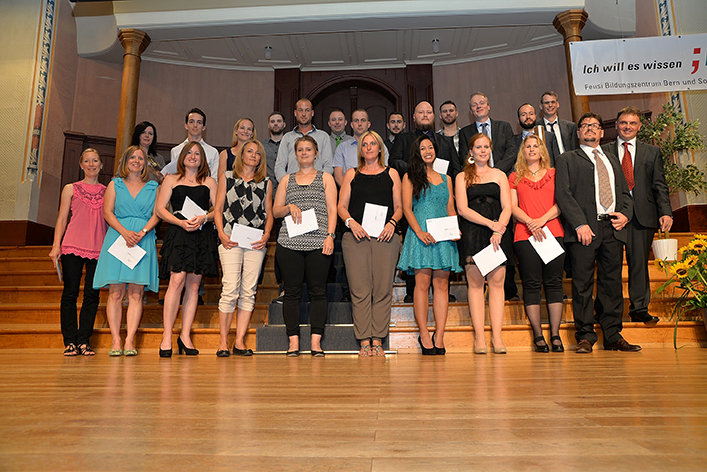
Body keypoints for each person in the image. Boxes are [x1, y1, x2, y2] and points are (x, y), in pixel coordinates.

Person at [555, 112, 639, 353]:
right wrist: (580, 224)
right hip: (584, 230)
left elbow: (625, 193)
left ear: (602, 132)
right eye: (585, 126)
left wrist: (625, 214)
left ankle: (612, 334)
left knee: (611, 283)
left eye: (595, 125)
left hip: (613, 228)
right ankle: (585, 336)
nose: (590, 129)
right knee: (582, 284)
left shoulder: (613, 159)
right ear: (578, 133)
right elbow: (563, 194)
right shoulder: (567, 159)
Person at [602, 106, 672, 326]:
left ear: (639, 127)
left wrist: (666, 212)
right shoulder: (603, 151)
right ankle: (604, 310)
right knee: (608, 265)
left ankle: (639, 308)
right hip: (613, 216)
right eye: (623, 123)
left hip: (643, 216)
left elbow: (659, 185)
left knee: (639, 264)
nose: (628, 127)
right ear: (616, 125)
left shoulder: (652, 152)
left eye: (632, 123)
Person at [337, 131, 402, 357]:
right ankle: (364, 341)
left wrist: (393, 223)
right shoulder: (351, 174)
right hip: (356, 237)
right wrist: (351, 223)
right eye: (365, 144)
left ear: (380, 148)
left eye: (373, 143)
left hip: (386, 236)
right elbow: (341, 206)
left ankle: (378, 340)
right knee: (360, 289)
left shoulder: (392, 173)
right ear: (360, 149)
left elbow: (400, 207)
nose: (369, 147)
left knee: (383, 289)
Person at [273, 135, 337, 357]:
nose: (304, 153)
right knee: (292, 293)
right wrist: (289, 206)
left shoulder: (326, 178)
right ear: (295, 154)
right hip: (289, 243)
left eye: (308, 149)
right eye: (300, 150)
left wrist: (330, 235)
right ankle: (293, 343)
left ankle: (316, 343)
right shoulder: (286, 180)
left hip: (319, 242)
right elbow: (275, 211)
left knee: (318, 292)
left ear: (316, 153)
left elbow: (332, 210)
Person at [93, 145, 160, 356]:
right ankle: (115, 340)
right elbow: (107, 213)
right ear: (125, 161)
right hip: (117, 238)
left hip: (142, 239)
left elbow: (157, 214)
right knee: (115, 292)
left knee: (136, 292)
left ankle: (130, 340)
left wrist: (141, 232)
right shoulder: (115, 184)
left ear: (145, 163)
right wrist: (124, 232)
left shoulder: (153, 187)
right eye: (133, 157)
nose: (137, 161)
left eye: (141, 158)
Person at [397, 136, 461, 356]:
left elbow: (451, 207)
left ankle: (439, 334)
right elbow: (406, 208)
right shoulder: (410, 177)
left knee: (442, 286)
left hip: (443, 238)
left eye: (430, 147)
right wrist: (419, 232)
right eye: (423, 148)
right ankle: (424, 334)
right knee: (421, 285)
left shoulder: (446, 178)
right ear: (417, 152)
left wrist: (455, 230)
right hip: (421, 236)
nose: (427, 151)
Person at [155, 141, 219, 357]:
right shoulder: (171, 180)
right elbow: (160, 209)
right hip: (179, 232)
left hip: (201, 234)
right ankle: (166, 336)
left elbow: (218, 209)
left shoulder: (209, 181)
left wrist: (205, 217)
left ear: (202, 159)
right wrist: (180, 221)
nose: (193, 156)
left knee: (194, 286)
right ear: (182, 157)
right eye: (189, 153)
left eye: (197, 154)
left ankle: (185, 336)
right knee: (176, 281)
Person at [214, 139, 273, 357]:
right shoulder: (227, 177)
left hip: (256, 241)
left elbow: (268, 213)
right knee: (230, 289)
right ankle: (223, 342)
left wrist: (267, 235)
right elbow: (218, 208)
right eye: (250, 151)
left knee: (248, 290)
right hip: (230, 238)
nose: (253, 156)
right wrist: (221, 233)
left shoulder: (266, 183)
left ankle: (239, 342)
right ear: (242, 154)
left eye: (258, 154)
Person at [455, 134, 512, 354]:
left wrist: (499, 228)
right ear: (470, 151)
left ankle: (497, 337)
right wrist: (491, 224)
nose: (482, 150)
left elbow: (507, 206)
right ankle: (479, 337)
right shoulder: (462, 177)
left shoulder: (499, 175)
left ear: (491, 149)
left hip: (498, 234)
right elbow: (462, 209)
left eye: (486, 147)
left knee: (497, 285)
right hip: (474, 232)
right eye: (477, 147)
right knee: (476, 285)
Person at [510, 135, 565, 352]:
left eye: (536, 146)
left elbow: (561, 202)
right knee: (531, 284)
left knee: (554, 283)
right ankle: (538, 335)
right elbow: (512, 207)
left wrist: (542, 220)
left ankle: (555, 334)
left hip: (553, 232)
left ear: (542, 150)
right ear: (522, 152)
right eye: (528, 146)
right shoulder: (514, 177)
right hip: (525, 235)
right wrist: (531, 222)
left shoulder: (554, 174)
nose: (532, 149)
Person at [49, 148, 107, 356]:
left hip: (99, 249)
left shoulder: (108, 191)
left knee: (92, 295)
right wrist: (56, 246)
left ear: (101, 165)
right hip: (72, 246)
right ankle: (70, 342)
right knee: (70, 293)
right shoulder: (70, 189)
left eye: (95, 160)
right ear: (81, 165)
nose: (91, 164)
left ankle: (84, 341)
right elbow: (62, 219)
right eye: (87, 161)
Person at [275, 98, 334, 182]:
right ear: (295, 113)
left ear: (312, 113)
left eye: (307, 110)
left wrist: (317, 182)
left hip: (317, 187)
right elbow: (279, 166)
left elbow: (328, 166)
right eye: (300, 110)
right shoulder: (287, 137)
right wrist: (287, 184)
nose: (303, 114)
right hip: (292, 188)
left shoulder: (323, 136)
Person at [458, 92, 517, 175]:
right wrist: (481, 171)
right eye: (474, 105)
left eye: (482, 103)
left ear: (488, 106)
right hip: (477, 177)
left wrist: (495, 171)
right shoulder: (464, 132)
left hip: (503, 174)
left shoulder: (504, 127)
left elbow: (511, 153)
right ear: (471, 111)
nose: (479, 106)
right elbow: (465, 158)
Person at [332, 109, 390, 186]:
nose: (359, 124)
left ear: (368, 124)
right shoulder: (342, 148)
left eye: (363, 120)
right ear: (352, 125)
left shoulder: (379, 146)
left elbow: (384, 171)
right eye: (356, 120)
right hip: (350, 193)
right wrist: (350, 191)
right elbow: (338, 176)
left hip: (376, 189)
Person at [162, 108, 220, 181]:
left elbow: (214, 180)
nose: (195, 125)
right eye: (191, 122)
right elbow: (176, 176)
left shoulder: (213, 152)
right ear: (186, 125)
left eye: (199, 122)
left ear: (204, 127)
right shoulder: (176, 150)